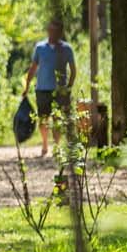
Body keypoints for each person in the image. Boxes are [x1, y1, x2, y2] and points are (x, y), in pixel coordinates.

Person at [21, 18, 76, 153]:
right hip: (42, 89)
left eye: (55, 31)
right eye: (50, 30)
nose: (52, 33)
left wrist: (68, 87)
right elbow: (33, 68)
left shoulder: (66, 49)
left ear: (60, 32)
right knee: (43, 118)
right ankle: (45, 144)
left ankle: (56, 146)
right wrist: (27, 87)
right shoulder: (40, 48)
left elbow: (73, 70)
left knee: (57, 119)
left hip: (59, 90)